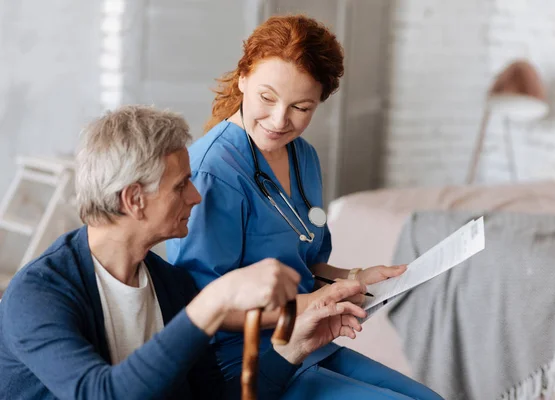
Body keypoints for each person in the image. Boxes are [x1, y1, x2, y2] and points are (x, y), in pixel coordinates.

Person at [0, 105, 368, 400]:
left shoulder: (171, 284)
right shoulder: (38, 295)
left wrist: (292, 348)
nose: (195, 195)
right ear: (134, 200)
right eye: (180, 186)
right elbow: (102, 392)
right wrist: (213, 303)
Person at [166, 15, 443, 400]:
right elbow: (202, 310)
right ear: (243, 77)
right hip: (241, 358)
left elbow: (303, 262)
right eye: (267, 98)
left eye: (301, 107)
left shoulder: (303, 157)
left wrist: (358, 277)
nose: (280, 121)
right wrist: (311, 305)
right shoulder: (214, 173)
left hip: (308, 339)